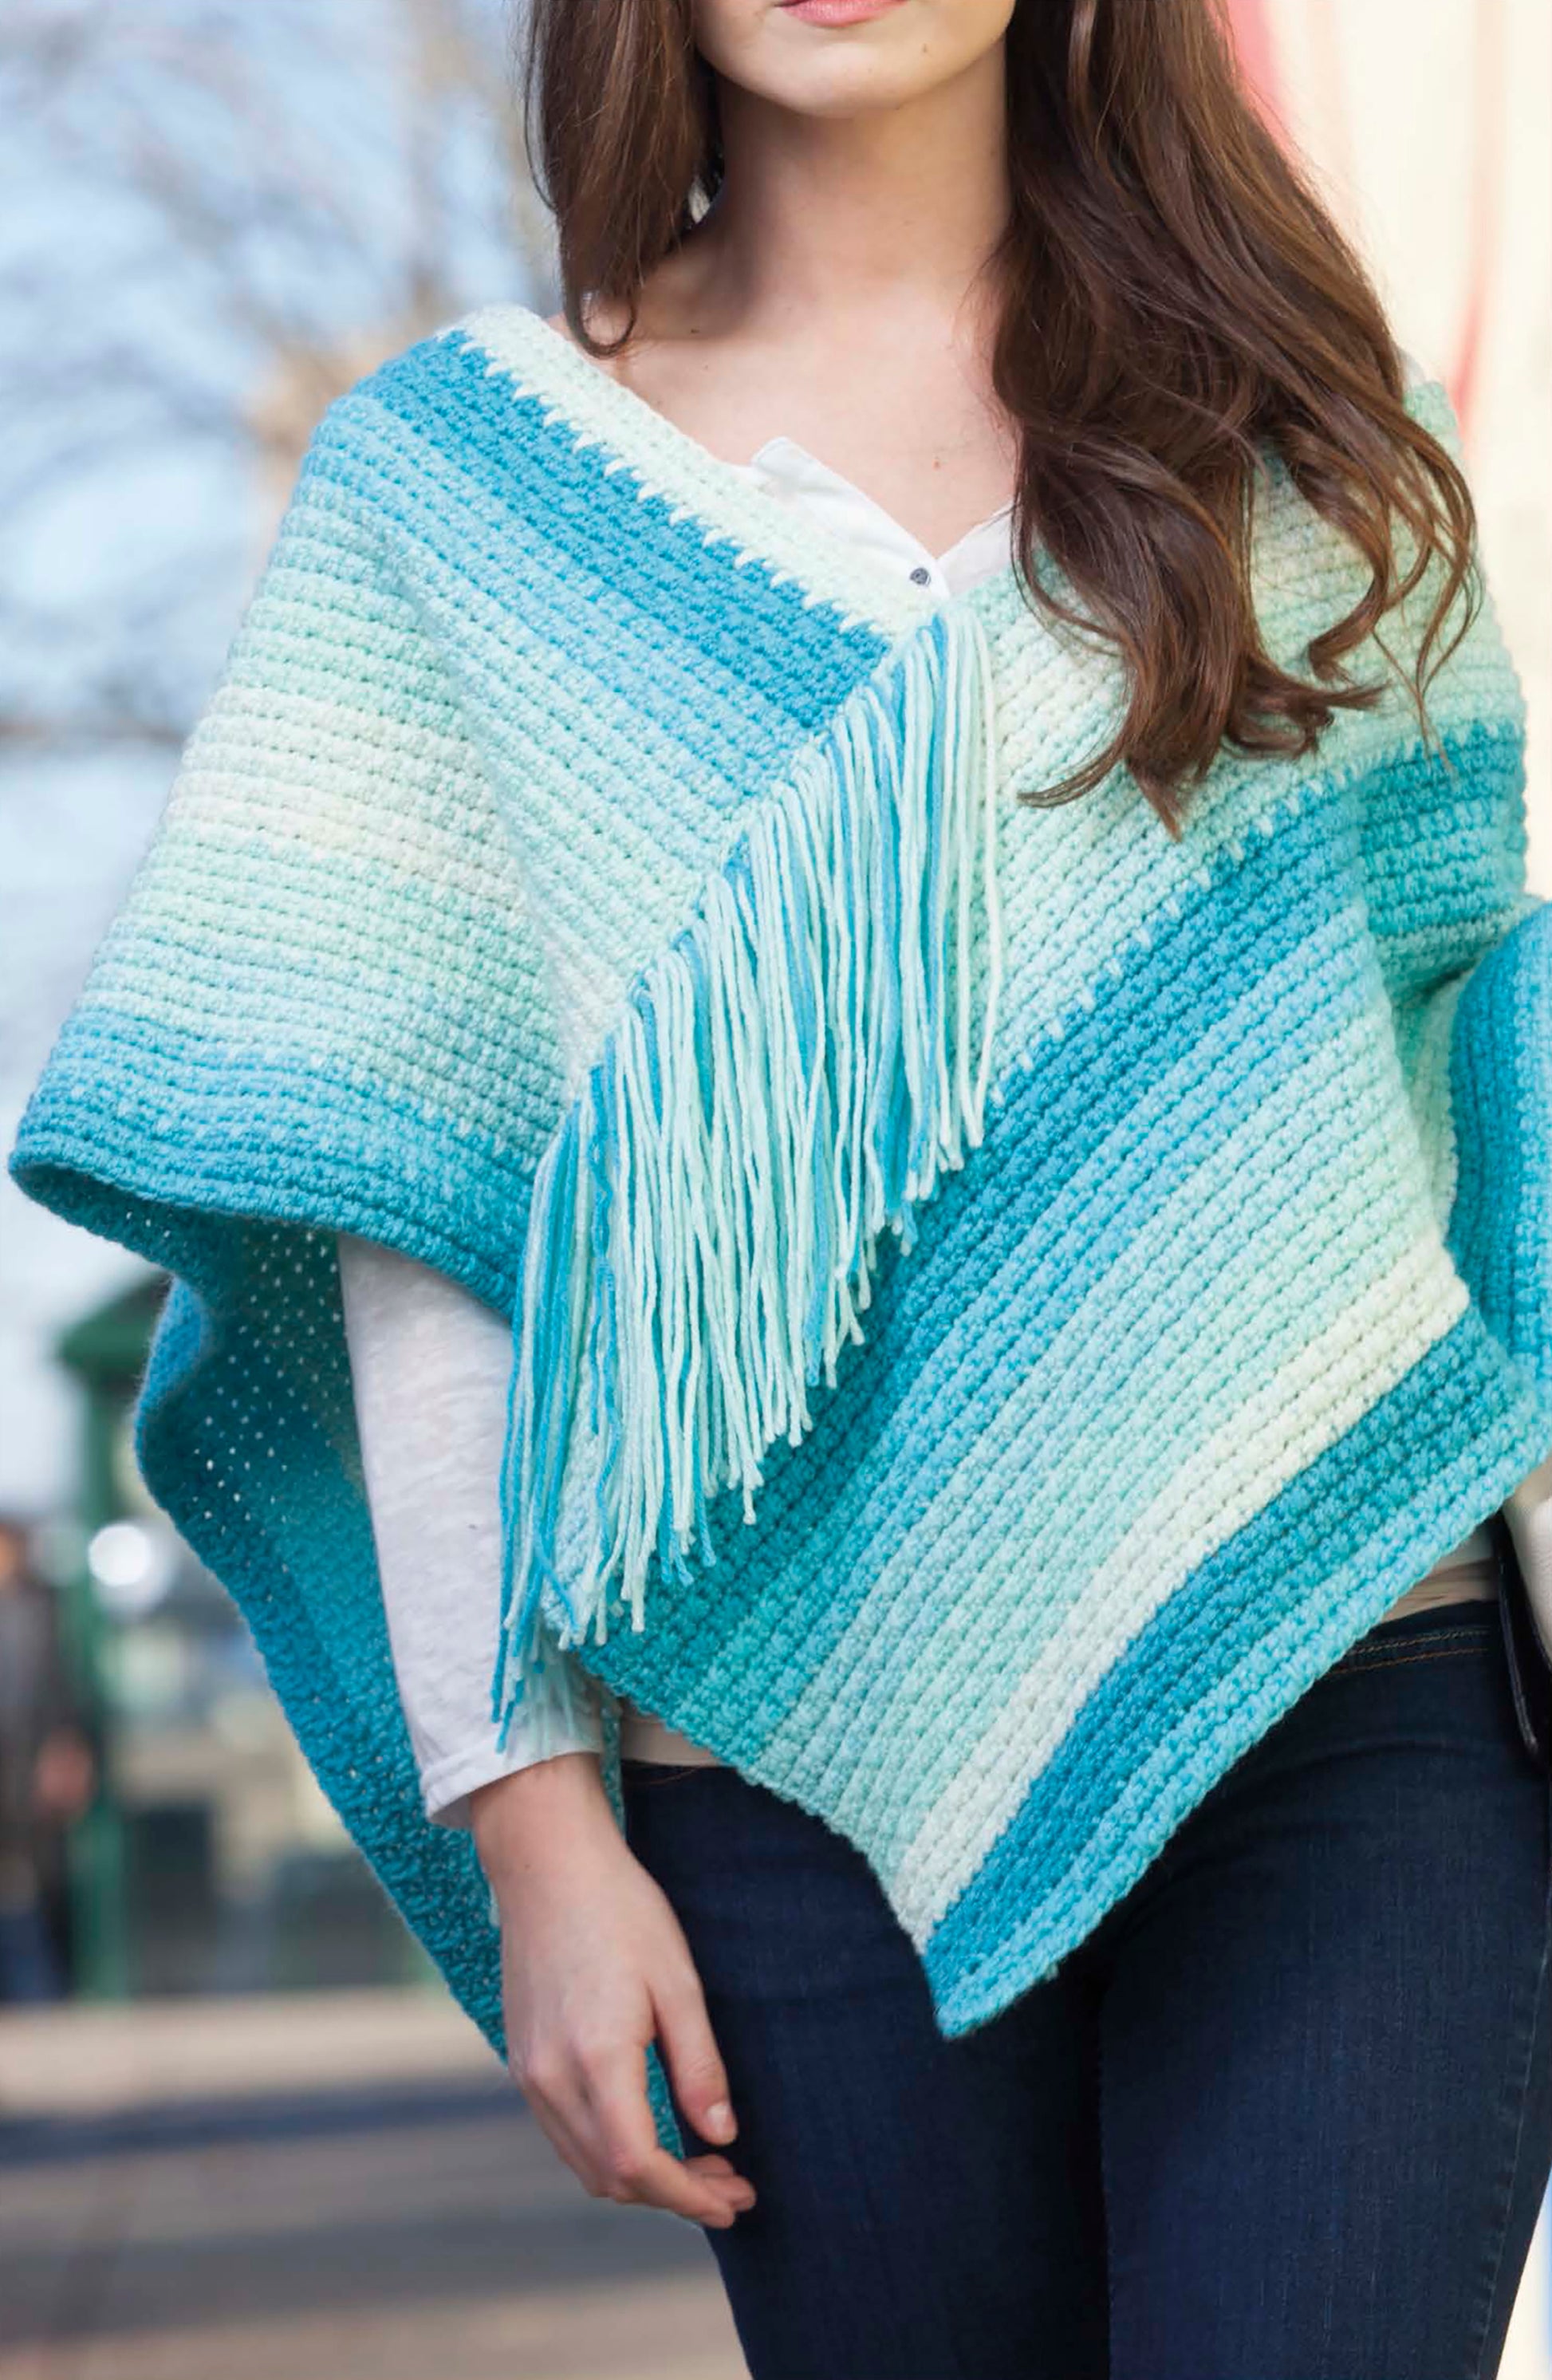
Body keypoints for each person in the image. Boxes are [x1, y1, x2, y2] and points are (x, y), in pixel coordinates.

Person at [10, 2, 1552, 2373]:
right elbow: (423, 1223)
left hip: (1347, 1712)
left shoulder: (1305, 428)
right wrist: (532, 1829)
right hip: (777, 1792)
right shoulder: (468, 494)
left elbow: (1470, 1057)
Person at [0, 1515, 93, 2003]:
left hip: (29, 1770)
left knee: (44, 1879)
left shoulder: (46, 1609)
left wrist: (65, 1749)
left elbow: (64, 1689)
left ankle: (54, 1987)